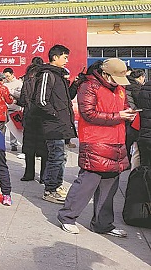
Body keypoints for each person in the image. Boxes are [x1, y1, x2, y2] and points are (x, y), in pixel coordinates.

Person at [57, 59, 135, 237]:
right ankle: (67, 217)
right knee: (87, 183)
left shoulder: (120, 88)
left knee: (110, 186)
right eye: (115, 78)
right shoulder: (89, 86)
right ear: (105, 74)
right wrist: (119, 116)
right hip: (95, 141)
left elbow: (124, 106)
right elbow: (89, 114)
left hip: (116, 141)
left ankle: (103, 224)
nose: (117, 83)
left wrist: (128, 113)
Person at [32, 45, 77, 204]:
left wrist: (75, 84)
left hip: (61, 124)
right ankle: (50, 190)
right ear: (55, 57)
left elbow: (67, 98)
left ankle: (57, 186)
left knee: (61, 157)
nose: (66, 61)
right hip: (53, 125)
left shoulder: (60, 75)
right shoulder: (47, 74)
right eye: (65, 57)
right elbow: (41, 100)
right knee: (55, 157)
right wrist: (55, 115)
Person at [18, 56, 48, 182]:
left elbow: (22, 100)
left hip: (29, 117)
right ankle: (43, 176)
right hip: (42, 118)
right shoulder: (45, 77)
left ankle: (28, 174)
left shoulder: (27, 79)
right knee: (44, 149)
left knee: (29, 148)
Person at [2, 67, 23, 151]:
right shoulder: (4, 84)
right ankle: (1, 144)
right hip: (5, 108)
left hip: (15, 108)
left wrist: (11, 91)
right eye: (5, 76)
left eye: (8, 76)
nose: (7, 78)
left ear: (12, 74)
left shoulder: (18, 83)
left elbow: (21, 95)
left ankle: (14, 144)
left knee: (14, 127)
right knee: (3, 127)